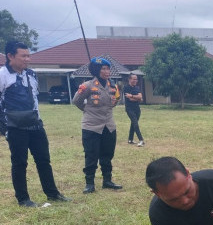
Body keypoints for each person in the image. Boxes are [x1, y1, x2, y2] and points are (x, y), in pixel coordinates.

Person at [0, 40, 70, 207]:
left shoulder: (31, 74)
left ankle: (52, 193)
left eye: (29, 55)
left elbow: (35, 101)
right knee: (19, 163)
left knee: (44, 160)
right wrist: (4, 129)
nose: (27, 59)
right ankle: (23, 199)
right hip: (15, 127)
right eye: (23, 56)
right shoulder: (3, 75)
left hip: (35, 124)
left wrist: (39, 120)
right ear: (10, 56)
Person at [72, 57, 122, 194]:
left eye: (108, 68)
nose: (107, 71)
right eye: (103, 69)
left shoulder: (113, 85)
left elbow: (116, 99)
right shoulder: (87, 85)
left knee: (107, 154)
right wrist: (87, 110)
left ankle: (107, 180)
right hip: (91, 126)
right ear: (96, 70)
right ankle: (89, 183)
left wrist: (114, 102)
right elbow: (76, 100)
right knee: (91, 154)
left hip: (109, 125)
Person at [123, 73, 145, 147]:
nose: (136, 80)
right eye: (134, 79)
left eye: (136, 79)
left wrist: (132, 96)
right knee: (135, 124)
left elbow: (141, 98)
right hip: (129, 109)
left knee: (133, 124)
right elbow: (130, 99)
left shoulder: (137, 88)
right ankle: (141, 140)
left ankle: (130, 139)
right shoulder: (126, 88)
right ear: (129, 79)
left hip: (137, 109)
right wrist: (137, 98)